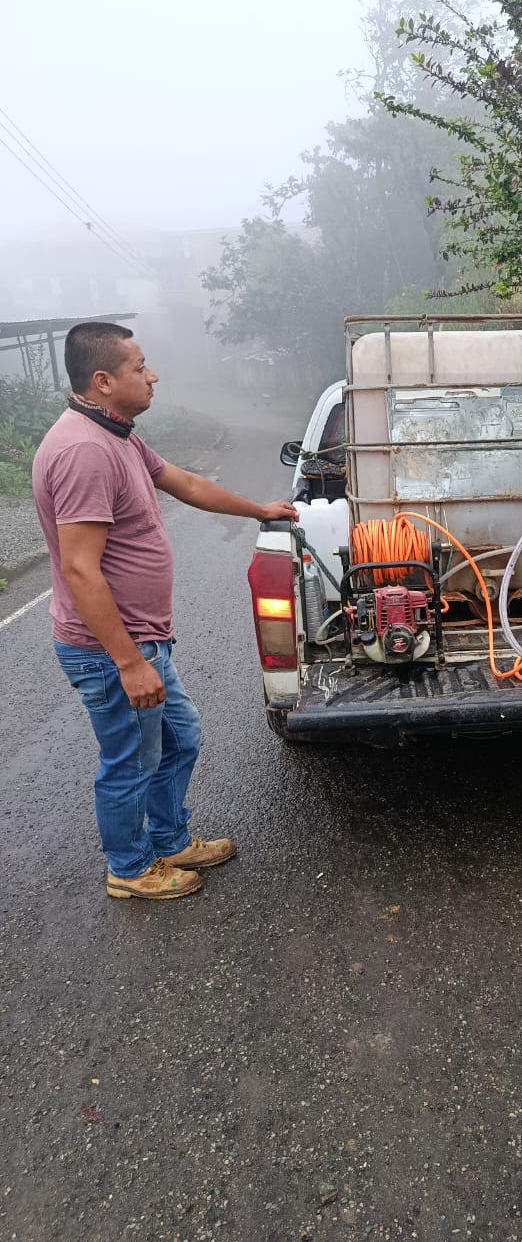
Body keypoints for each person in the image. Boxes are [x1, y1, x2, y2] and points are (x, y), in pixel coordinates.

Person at [32, 322, 300, 901]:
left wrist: (259, 510)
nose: (152, 375)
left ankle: (169, 840)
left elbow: (185, 482)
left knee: (179, 738)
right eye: (139, 367)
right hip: (112, 649)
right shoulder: (83, 451)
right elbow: (80, 568)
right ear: (103, 381)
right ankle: (129, 868)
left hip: (141, 640)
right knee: (130, 760)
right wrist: (129, 663)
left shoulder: (116, 435)